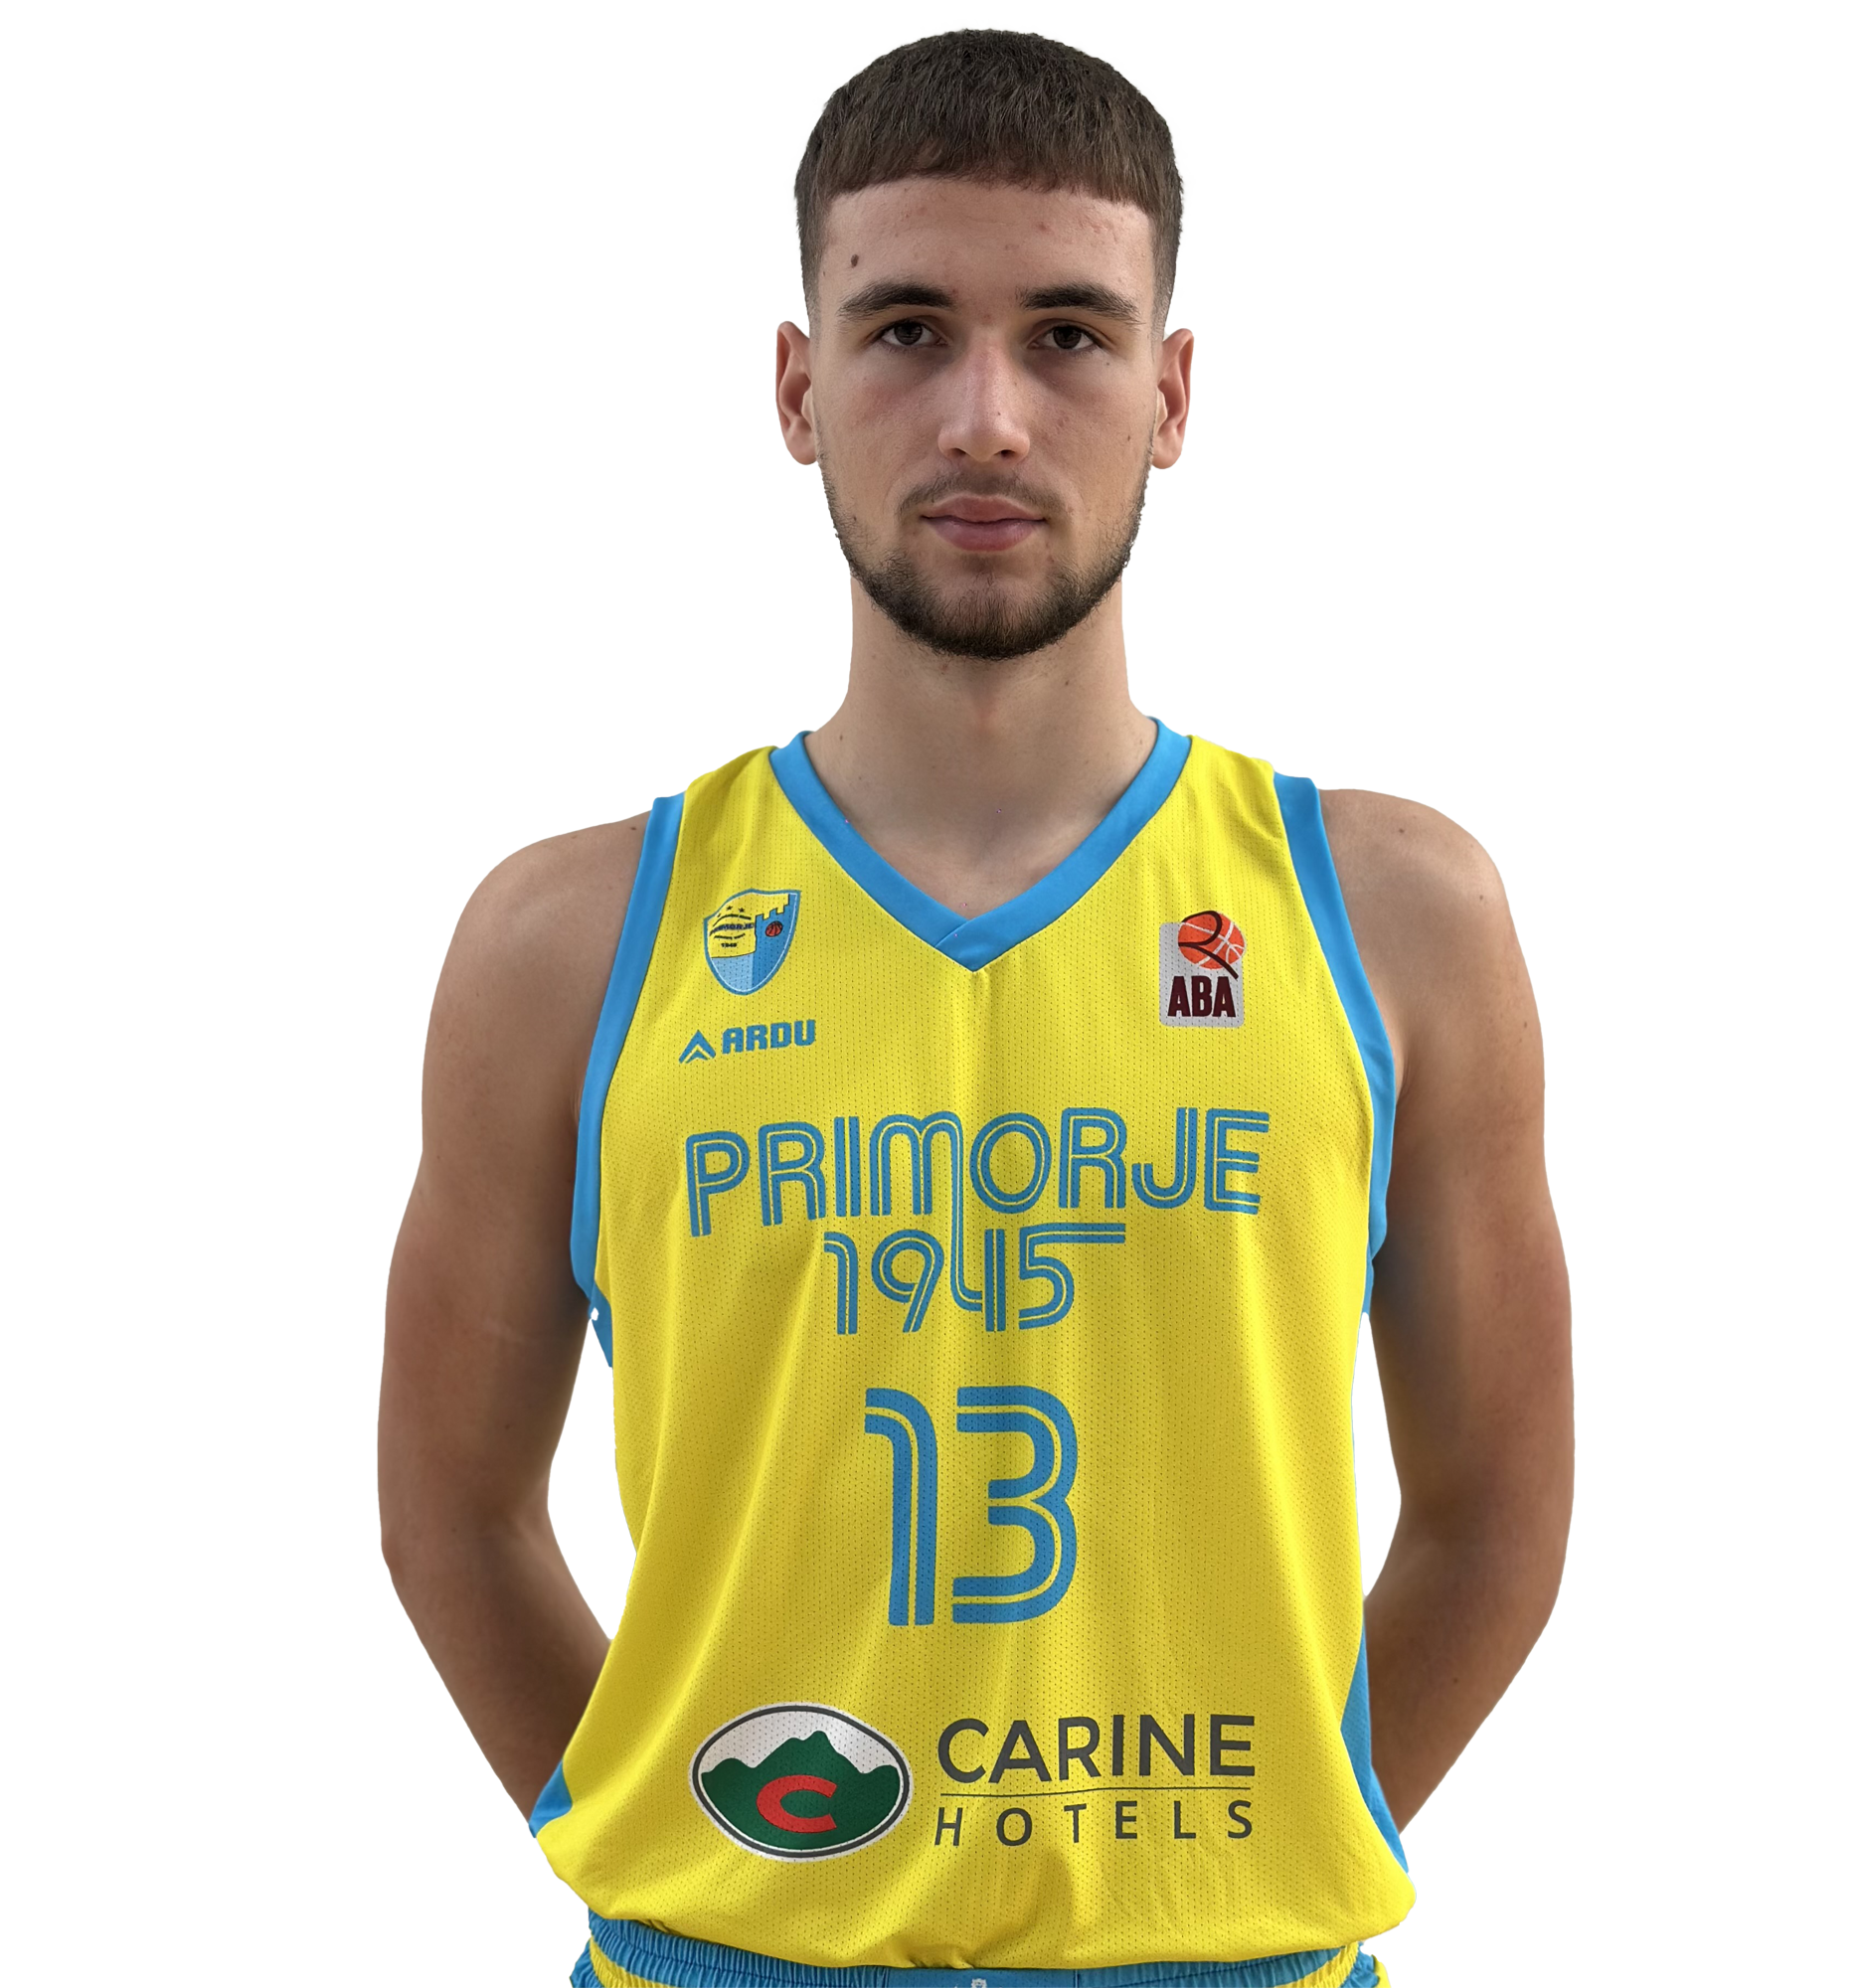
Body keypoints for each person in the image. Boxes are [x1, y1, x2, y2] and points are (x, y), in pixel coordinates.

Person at [382, 28, 1571, 1988]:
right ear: (799, 387)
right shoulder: (569, 945)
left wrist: (1272, 1861)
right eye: (908, 330)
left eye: (1071, 336)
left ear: (1170, 394)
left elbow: (1496, 1516)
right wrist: (691, 1874)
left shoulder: (1393, 920)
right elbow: (449, 1511)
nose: (989, 418)